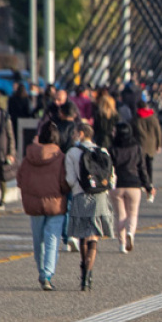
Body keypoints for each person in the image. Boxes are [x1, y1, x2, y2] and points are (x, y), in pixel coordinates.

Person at [17, 122, 70, 290]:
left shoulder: (29, 156)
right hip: (56, 203)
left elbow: (20, 178)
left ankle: (41, 271)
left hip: (34, 203)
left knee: (38, 239)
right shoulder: (60, 157)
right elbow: (65, 182)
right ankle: (47, 274)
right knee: (52, 239)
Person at [65, 123, 115, 291]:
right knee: (94, 236)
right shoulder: (103, 151)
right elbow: (112, 177)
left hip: (80, 196)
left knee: (82, 235)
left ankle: (83, 269)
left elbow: (70, 179)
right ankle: (89, 273)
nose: (73, 135)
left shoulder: (72, 153)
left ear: (81, 133)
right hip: (100, 197)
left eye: (74, 133)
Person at [109, 123, 152, 254]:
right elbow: (142, 168)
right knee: (132, 213)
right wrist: (148, 185)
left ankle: (122, 244)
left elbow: (108, 168)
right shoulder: (136, 148)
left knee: (120, 215)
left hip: (117, 184)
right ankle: (130, 232)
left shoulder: (112, 149)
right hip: (134, 184)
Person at [131, 100, 162, 201]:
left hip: (140, 145)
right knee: (150, 164)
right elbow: (158, 131)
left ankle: (143, 182)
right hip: (151, 144)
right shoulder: (152, 118)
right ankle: (150, 182)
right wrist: (159, 144)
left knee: (141, 165)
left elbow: (132, 132)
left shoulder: (136, 119)